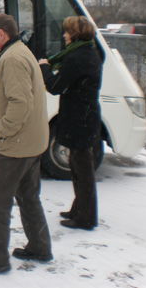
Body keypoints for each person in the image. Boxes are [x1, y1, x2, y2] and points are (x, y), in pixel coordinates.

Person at [0, 13, 52, 275]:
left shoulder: (13, 59)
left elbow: (20, 103)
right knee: (28, 196)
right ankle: (40, 246)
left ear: (1, 34)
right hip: (32, 140)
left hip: (17, 143)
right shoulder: (21, 51)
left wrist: (3, 131)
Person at [39, 16, 102, 230]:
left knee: (82, 170)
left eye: (67, 32)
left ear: (75, 34)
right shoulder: (87, 53)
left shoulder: (77, 57)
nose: (64, 35)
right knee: (78, 167)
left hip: (80, 119)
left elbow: (56, 86)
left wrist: (45, 68)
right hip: (84, 116)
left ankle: (86, 218)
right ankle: (79, 210)